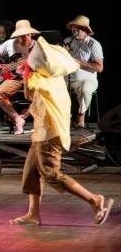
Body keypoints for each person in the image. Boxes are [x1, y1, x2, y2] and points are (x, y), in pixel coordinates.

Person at [10, 37, 114, 226]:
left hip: (49, 131)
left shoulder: (39, 75)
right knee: (32, 171)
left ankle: (96, 200)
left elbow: (27, 94)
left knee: (51, 173)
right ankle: (33, 214)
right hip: (45, 129)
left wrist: (25, 73)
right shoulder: (53, 75)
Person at [0, 19, 39, 135]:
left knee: (43, 94)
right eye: (21, 36)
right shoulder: (10, 44)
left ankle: (26, 114)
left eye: (27, 35)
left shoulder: (38, 46)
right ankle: (17, 119)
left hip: (34, 77)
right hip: (16, 77)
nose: (24, 39)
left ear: (31, 34)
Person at [64, 15, 104, 128]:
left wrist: (80, 63)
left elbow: (100, 68)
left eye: (78, 27)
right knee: (52, 86)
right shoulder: (67, 41)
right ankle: (63, 118)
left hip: (87, 79)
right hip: (67, 78)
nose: (74, 29)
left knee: (85, 89)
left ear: (86, 30)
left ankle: (81, 115)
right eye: (73, 27)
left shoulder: (93, 44)